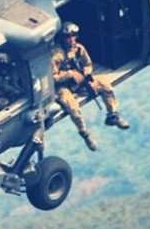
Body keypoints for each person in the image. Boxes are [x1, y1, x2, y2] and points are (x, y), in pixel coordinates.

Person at [51, 22, 130, 152]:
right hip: (63, 86)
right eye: (68, 37)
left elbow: (87, 64)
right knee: (73, 108)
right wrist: (70, 74)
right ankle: (85, 134)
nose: (71, 39)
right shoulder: (56, 55)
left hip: (81, 82)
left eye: (73, 36)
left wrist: (86, 73)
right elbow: (53, 77)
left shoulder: (78, 49)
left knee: (105, 86)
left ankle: (113, 115)